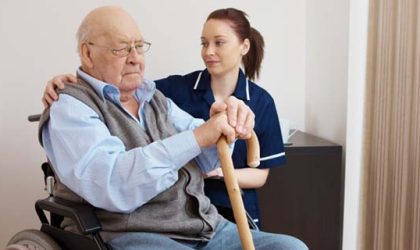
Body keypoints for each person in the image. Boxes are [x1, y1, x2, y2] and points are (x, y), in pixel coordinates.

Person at [39, 6, 307, 250]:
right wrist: (200, 135)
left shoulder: (154, 97)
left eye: (139, 46)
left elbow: (204, 156)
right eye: (122, 49)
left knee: (292, 248)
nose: (134, 58)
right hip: (133, 234)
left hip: (203, 227)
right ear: (88, 53)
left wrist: (221, 126)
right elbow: (114, 184)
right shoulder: (71, 106)